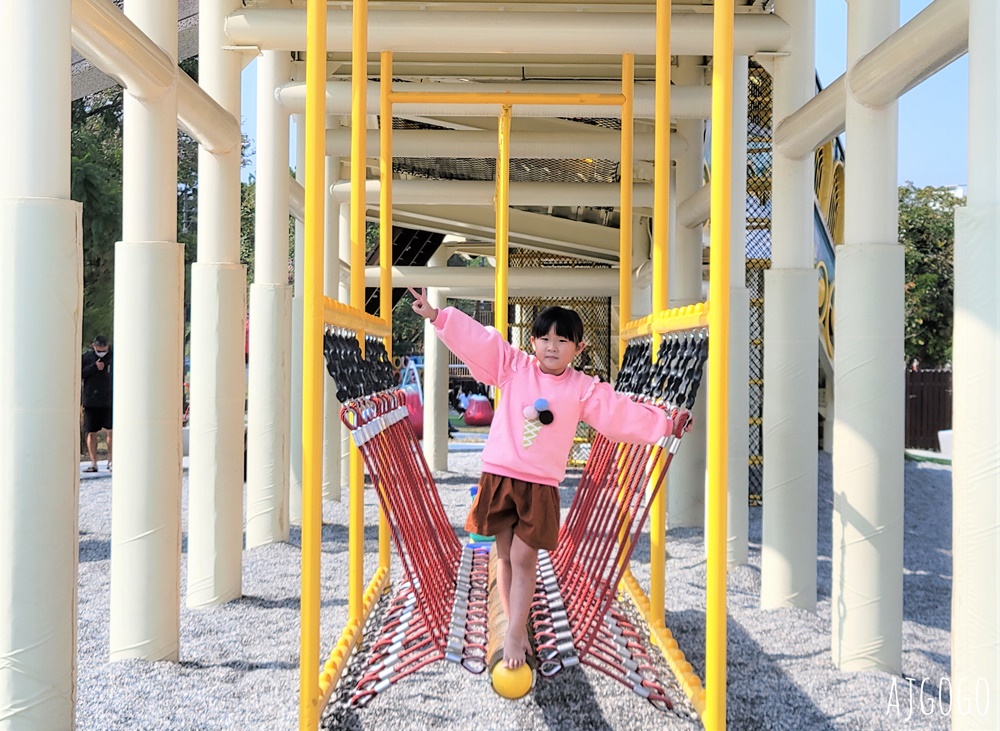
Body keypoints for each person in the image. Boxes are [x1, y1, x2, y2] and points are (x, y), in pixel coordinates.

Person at [407, 288, 682, 671]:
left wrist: (663, 424)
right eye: (545, 338)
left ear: (579, 348)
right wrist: (438, 317)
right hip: (500, 474)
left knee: (524, 557)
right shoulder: (514, 366)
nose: (552, 347)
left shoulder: (582, 388)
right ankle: (512, 626)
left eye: (562, 340)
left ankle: (516, 631)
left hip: (540, 484)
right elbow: (481, 342)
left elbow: (618, 414)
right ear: (532, 341)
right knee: (504, 556)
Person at [81, 335, 113, 472]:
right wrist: (94, 367)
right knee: (91, 432)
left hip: (110, 400)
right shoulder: (86, 357)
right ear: (94, 346)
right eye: (99, 349)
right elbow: (79, 373)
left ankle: (111, 461)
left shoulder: (114, 356)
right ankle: (93, 463)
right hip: (91, 401)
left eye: (104, 349)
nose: (102, 352)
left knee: (111, 431)